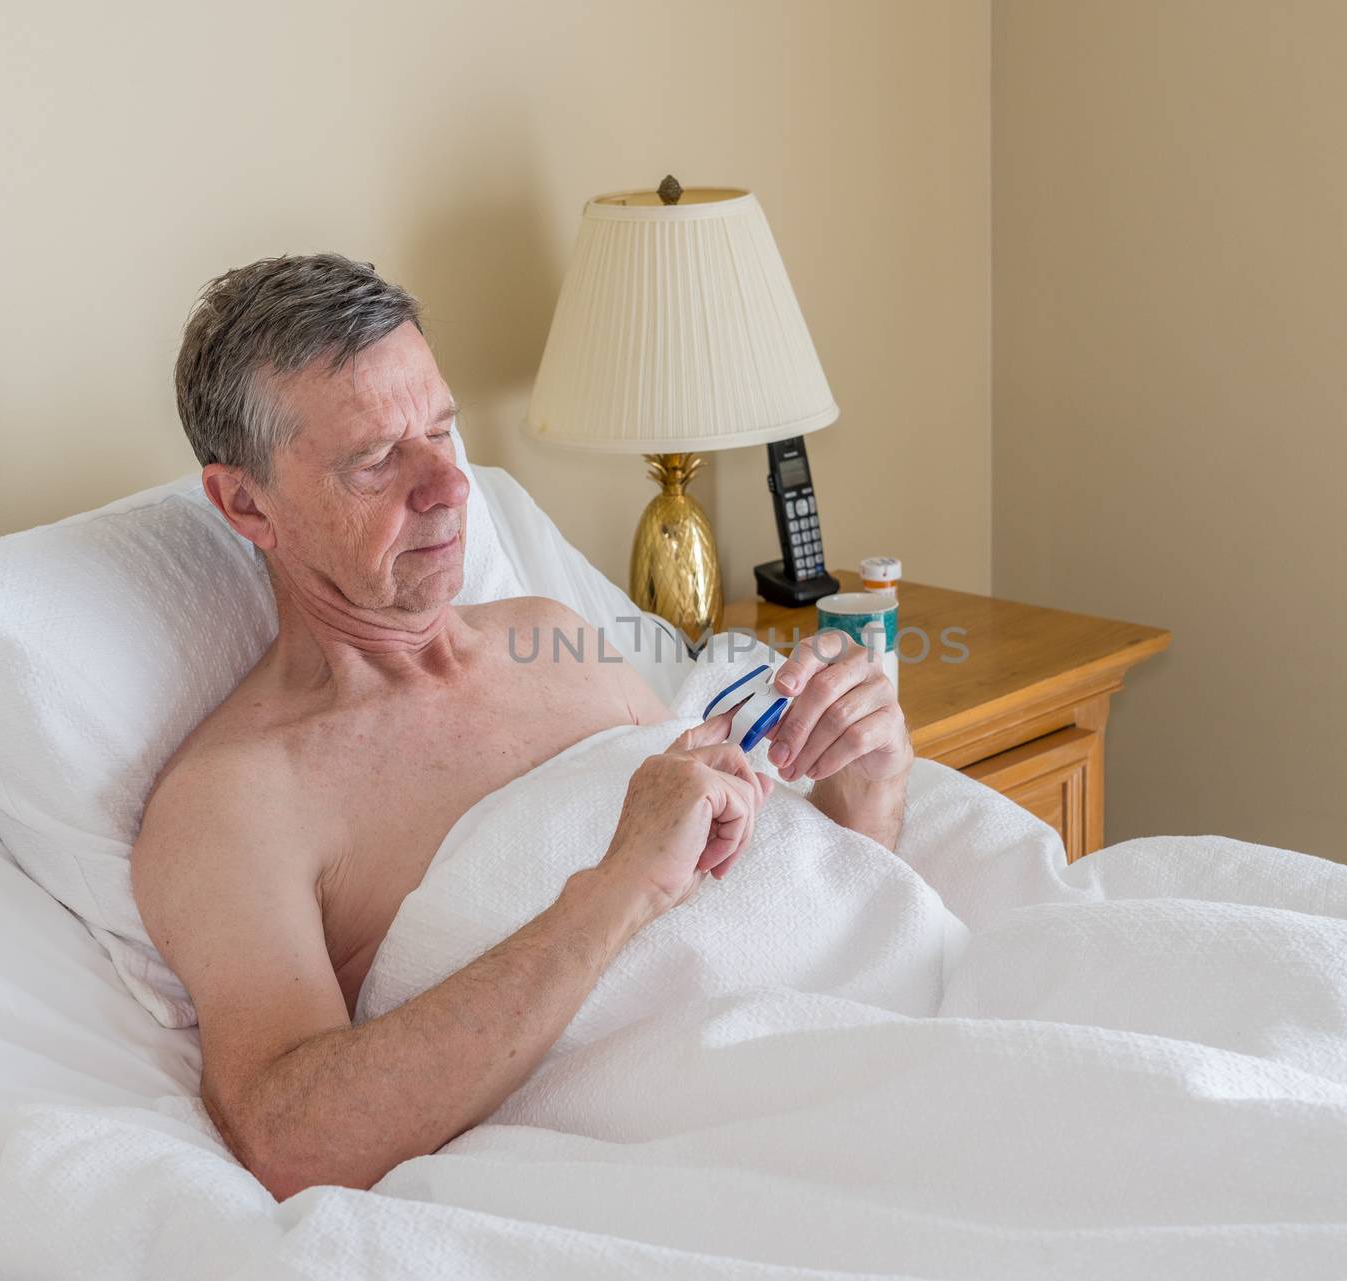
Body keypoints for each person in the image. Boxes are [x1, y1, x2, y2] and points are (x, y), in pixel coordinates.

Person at [132, 253, 915, 1202]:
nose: (451, 486)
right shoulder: (239, 800)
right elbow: (288, 1140)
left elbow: (773, 910)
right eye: (378, 460)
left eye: (443, 430)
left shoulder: (552, 634)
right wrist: (619, 884)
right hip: (714, 1158)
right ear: (245, 502)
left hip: (877, 1034)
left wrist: (863, 789)